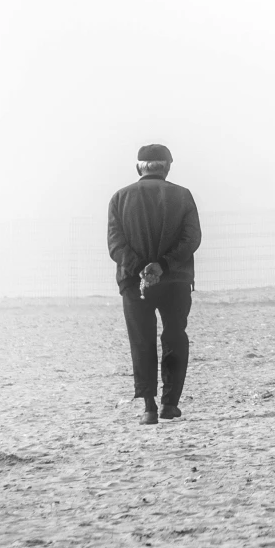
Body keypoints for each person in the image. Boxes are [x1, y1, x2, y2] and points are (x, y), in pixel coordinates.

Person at [106, 143, 202, 425]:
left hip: (133, 283)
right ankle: (169, 404)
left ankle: (148, 406)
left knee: (142, 341)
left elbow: (115, 245)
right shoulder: (182, 196)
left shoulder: (119, 198)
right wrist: (163, 266)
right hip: (175, 281)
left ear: (139, 167)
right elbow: (191, 239)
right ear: (167, 167)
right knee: (174, 336)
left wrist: (141, 270)